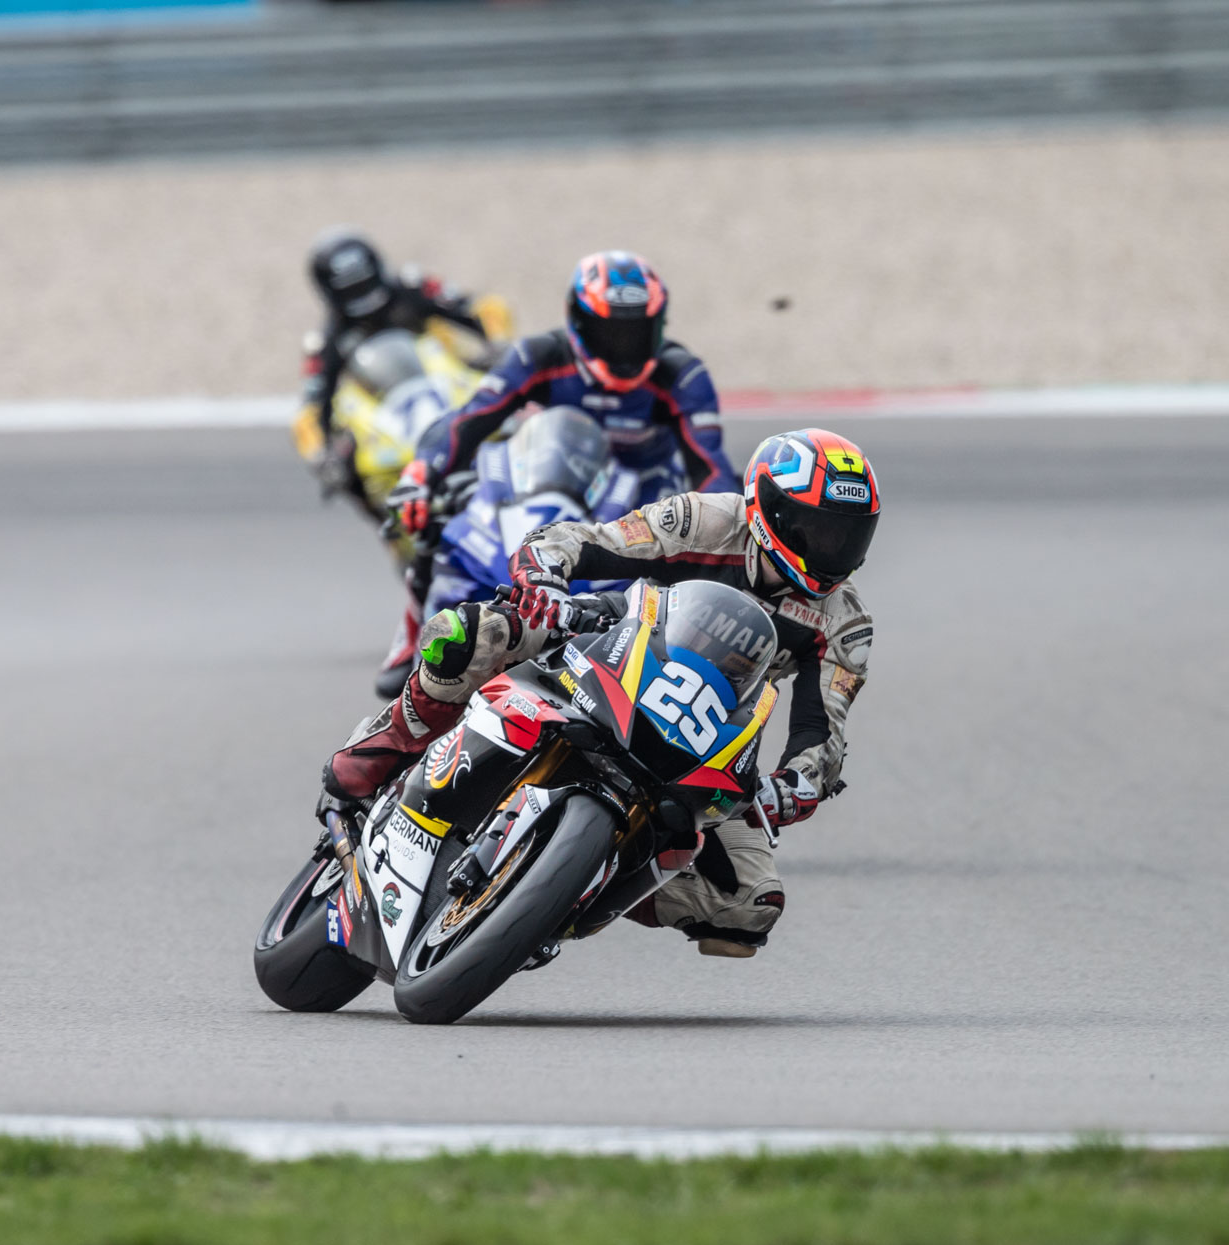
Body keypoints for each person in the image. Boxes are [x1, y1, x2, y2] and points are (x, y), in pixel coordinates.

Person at [326, 428, 879, 958]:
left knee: (750, 905)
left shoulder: (844, 623)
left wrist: (793, 787)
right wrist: (545, 577)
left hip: (707, 726)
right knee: (471, 633)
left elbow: (822, 733)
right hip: (616, 638)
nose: (832, 549)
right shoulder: (705, 520)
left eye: (849, 535)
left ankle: (565, 897)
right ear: (768, 510)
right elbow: (583, 541)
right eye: (818, 529)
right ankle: (387, 745)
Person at [385, 250, 737, 541]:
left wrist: (716, 526)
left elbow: (710, 468)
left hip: (645, 501)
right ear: (579, 321)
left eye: (637, 333)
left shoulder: (683, 374)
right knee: (442, 536)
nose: (625, 347)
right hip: (553, 488)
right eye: (611, 332)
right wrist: (421, 472)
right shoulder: (537, 357)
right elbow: (469, 419)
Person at [295, 228, 501, 520]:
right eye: (351, 290)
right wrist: (321, 455)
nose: (364, 300)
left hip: (448, 380)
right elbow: (310, 412)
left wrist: (499, 343)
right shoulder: (324, 343)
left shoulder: (414, 287)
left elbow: (483, 310)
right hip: (385, 414)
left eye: (364, 285)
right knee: (348, 468)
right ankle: (390, 524)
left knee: (519, 395)